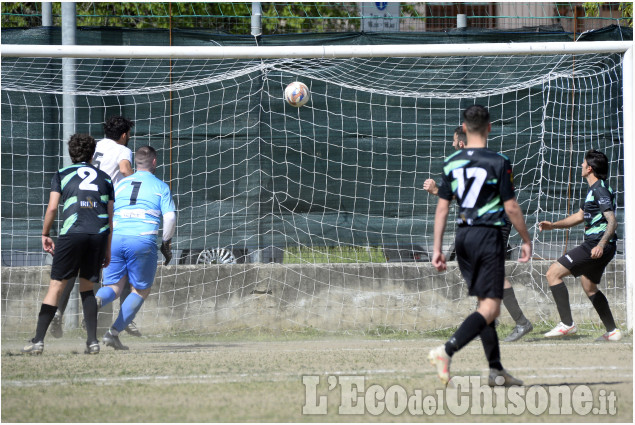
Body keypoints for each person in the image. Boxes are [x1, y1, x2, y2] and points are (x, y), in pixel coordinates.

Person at [427, 105, 532, 387]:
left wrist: (437, 249)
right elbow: (510, 206)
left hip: (463, 238)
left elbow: (441, 209)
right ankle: (446, 351)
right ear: (489, 128)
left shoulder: (451, 162)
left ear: (464, 127)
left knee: (485, 304)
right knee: (490, 308)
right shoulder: (498, 161)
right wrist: (525, 238)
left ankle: (496, 371)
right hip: (488, 237)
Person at [49, 116, 143, 338]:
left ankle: (58, 312)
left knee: (73, 268)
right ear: (124, 135)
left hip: (81, 210)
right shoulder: (122, 150)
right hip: (107, 213)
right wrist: (141, 179)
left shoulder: (96, 146)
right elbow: (125, 169)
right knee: (125, 262)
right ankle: (124, 319)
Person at [22, 134, 114, 355]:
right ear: (92, 154)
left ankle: (38, 341)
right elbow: (111, 218)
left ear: (70, 154)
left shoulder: (62, 174)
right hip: (97, 234)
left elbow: (53, 208)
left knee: (56, 286)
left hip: (73, 232)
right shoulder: (106, 178)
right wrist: (107, 249)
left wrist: (45, 233)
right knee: (88, 288)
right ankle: (92, 342)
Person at [95, 145, 176, 350]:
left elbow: (107, 209)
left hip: (115, 237)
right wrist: (166, 244)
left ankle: (94, 302)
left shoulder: (120, 185)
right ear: (155, 162)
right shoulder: (161, 186)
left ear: (135, 163)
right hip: (142, 239)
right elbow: (170, 217)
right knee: (140, 290)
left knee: (113, 288)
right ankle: (113, 333)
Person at [539, 149, 622, 341]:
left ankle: (567, 324)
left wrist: (600, 244)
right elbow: (579, 216)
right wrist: (553, 226)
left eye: (583, 164)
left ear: (590, 168)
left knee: (553, 273)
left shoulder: (599, 189)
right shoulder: (595, 189)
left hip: (597, 244)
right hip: (601, 245)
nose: (581, 166)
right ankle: (613, 332)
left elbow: (612, 221)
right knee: (589, 286)